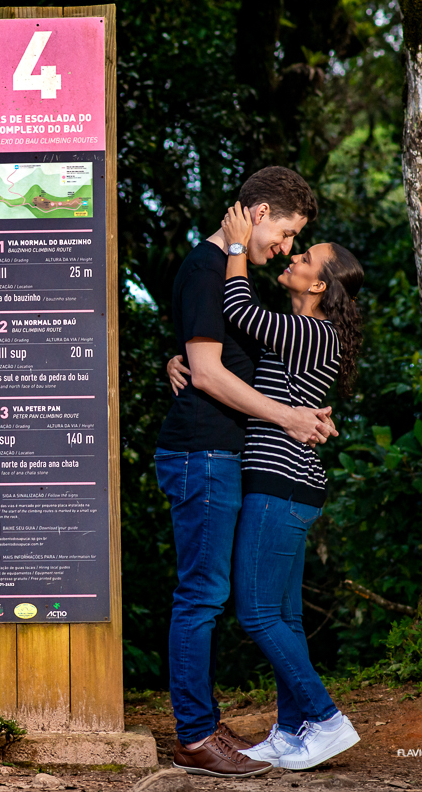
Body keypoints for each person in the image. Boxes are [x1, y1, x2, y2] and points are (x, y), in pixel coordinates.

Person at [167, 202, 364, 769]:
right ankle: (289, 730)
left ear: (319, 284)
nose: (293, 255)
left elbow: (235, 307)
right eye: (294, 243)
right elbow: (227, 350)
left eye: (304, 255)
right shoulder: (301, 333)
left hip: (280, 486)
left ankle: (325, 719)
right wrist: (180, 361)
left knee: (256, 614)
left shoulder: (307, 331)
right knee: (285, 615)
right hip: (290, 487)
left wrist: (233, 246)